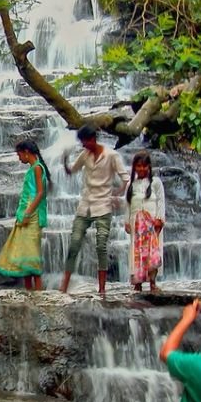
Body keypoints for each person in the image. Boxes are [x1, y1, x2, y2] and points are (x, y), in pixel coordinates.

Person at [60, 126, 130, 295]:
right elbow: (71, 171)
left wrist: (117, 195)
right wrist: (65, 158)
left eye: (85, 142)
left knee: (101, 245)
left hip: (103, 205)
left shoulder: (111, 156)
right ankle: (64, 286)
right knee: (74, 242)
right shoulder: (85, 156)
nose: (84, 146)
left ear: (93, 138)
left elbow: (126, 179)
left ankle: (102, 288)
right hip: (85, 205)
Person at [0, 141, 51, 291]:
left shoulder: (38, 168)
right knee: (25, 257)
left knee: (32, 258)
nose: (19, 158)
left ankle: (38, 295)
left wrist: (27, 213)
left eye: (19, 154)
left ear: (26, 152)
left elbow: (39, 193)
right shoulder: (33, 168)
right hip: (26, 215)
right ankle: (29, 293)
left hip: (31, 216)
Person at [125, 151, 166, 292]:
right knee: (136, 253)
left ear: (149, 166)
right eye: (138, 166)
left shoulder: (156, 183)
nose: (141, 169)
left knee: (153, 252)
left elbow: (161, 201)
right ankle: (138, 283)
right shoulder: (131, 184)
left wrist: (160, 219)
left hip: (152, 223)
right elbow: (128, 204)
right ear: (134, 167)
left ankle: (153, 283)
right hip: (136, 224)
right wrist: (126, 221)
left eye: (144, 166)